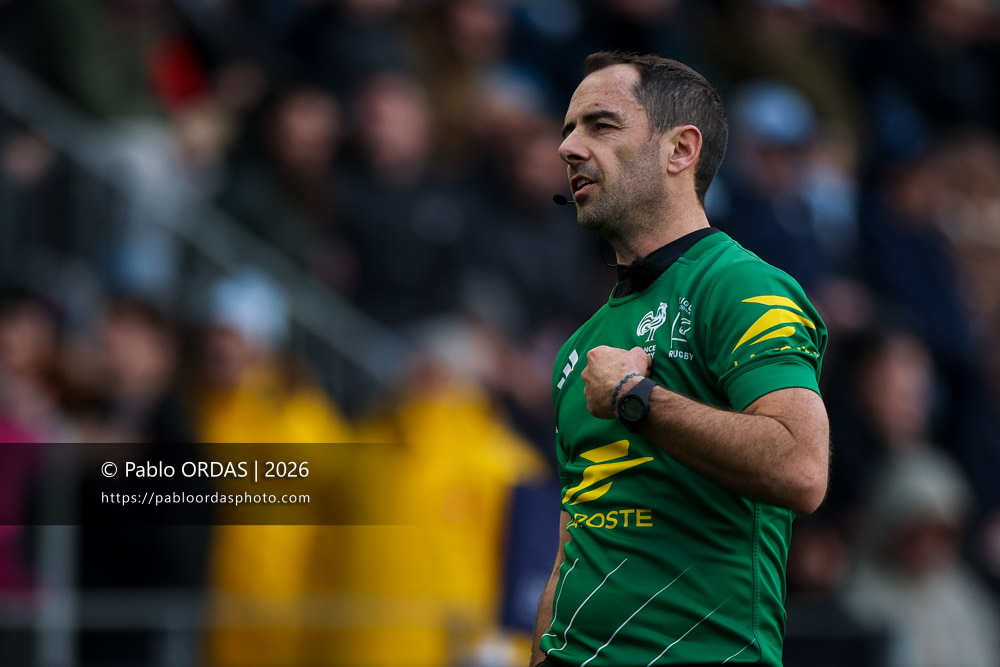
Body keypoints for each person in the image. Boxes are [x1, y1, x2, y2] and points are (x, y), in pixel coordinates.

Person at [531, 52, 830, 667]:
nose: (569, 148)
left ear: (680, 151)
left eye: (600, 125)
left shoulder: (742, 287)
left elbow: (802, 468)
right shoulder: (579, 348)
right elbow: (572, 549)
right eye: (567, 130)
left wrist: (636, 401)